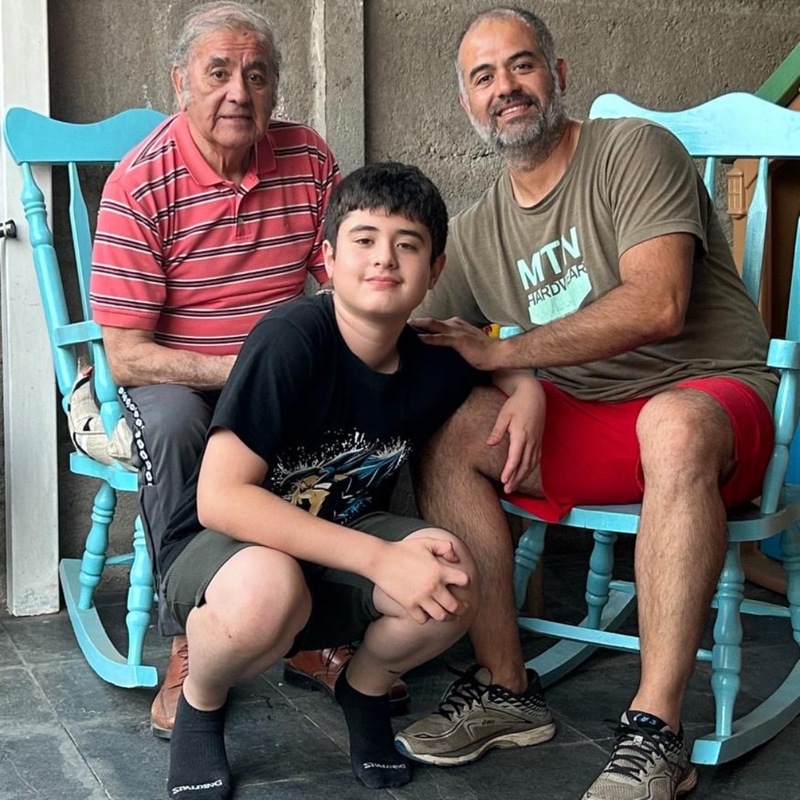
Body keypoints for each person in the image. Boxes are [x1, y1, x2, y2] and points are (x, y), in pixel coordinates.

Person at [392, 8, 778, 800]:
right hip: (595, 422)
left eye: (522, 65)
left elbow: (660, 303)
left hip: (711, 401)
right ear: (467, 105)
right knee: (449, 432)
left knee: (671, 424)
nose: (506, 88)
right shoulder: (478, 232)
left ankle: (655, 734)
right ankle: (505, 687)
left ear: (558, 76)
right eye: (484, 77)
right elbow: (416, 332)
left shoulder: (632, 150)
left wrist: (508, 355)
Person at [157, 161, 545, 799]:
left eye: (407, 244)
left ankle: (363, 691)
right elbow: (221, 499)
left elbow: (486, 347)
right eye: (364, 240)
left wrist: (528, 390)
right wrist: (380, 559)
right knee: (267, 589)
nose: (384, 258)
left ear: (435, 271)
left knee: (452, 571)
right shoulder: (291, 340)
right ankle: (201, 698)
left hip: (337, 541)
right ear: (330, 259)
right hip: (224, 554)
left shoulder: (427, 358)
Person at [89, 1, 361, 740]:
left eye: (257, 76)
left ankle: (314, 632)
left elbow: (342, 280)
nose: (239, 93)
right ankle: (191, 635)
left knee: (358, 396)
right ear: (181, 81)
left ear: (274, 88)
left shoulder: (308, 159)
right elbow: (127, 354)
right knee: (176, 426)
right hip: (177, 379)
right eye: (218, 73)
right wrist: (241, 372)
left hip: (277, 372)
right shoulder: (140, 182)